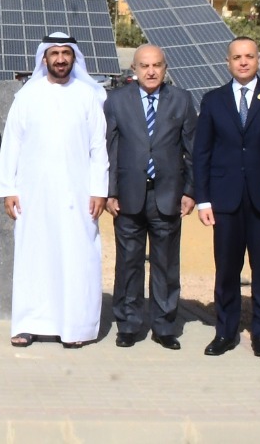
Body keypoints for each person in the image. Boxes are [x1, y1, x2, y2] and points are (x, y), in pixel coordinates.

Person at [0, 32, 108, 349]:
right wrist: (8, 189)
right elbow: (12, 144)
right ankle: (29, 324)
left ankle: (74, 328)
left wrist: (99, 190)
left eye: (66, 53)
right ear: (44, 59)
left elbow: (98, 148)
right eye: (54, 53)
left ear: (74, 58)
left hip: (78, 195)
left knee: (76, 258)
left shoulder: (88, 96)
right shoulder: (27, 96)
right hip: (34, 195)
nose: (60, 59)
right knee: (34, 257)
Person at [193, 37, 260, 358]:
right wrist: (203, 199)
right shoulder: (213, 100)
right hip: (225, 200)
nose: (243, 62)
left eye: (249, 56)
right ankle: (225, 332)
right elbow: (202, 153)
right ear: (227, 62)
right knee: (226, 269)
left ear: (257, 60)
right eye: (237, 57)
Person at [103, 44, 195, 350]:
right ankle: (128, 324)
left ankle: (164, 326)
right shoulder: (116, 101)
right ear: (134, 69)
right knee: (128, 263)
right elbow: (110, 149)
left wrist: (190, 191)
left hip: (167, 195)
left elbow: (192, 150)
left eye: (157, 65)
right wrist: (110, 191)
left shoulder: (181, 100)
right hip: (128, 196)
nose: (151, 71)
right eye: (144, 66)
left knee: (166, 265)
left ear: (165, 68)